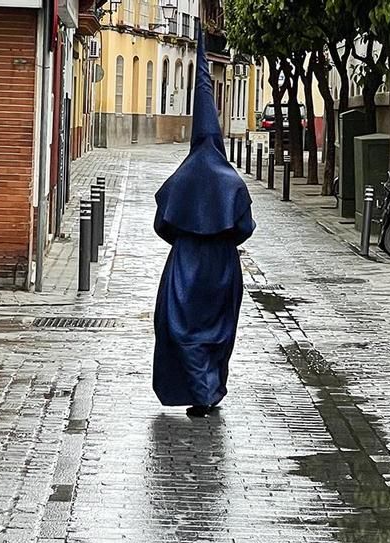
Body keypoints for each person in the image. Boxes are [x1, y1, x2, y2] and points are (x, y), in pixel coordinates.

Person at [152, 30, 256, 418]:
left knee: (181, 329)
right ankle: (208, 389)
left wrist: (187, 235)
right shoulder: (233, 181)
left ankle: (201, 392)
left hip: (186, 265)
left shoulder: (181, 178)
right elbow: (245, 228)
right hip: (224, 267)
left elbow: (162, 224)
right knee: (217, 332)